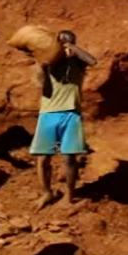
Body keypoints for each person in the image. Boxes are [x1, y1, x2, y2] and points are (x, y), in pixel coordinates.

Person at [29, 30, 97, 209]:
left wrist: (71, 48)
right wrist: (51, 55)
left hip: (71, 113)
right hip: (48, 113)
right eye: (61, 43)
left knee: (69, 158)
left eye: (69, 42)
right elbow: (40, 72)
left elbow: (93, 60)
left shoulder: (79, 64)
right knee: (43, 158)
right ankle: (46, 193)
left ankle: (69, 197)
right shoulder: (48, 63)